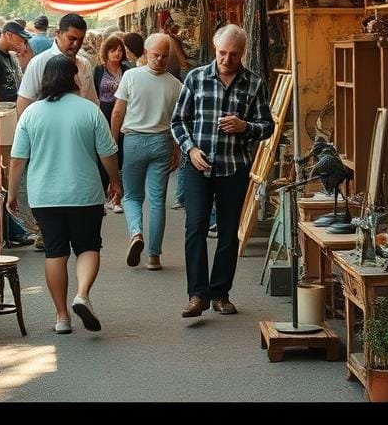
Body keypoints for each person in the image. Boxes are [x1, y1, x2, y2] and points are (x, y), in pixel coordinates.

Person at [8, 55, 121, 334]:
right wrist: (115, 182)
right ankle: (82, 294)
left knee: (55, 252)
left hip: (44, 195)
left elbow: (17, 159)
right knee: (88, 247)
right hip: (85, 193)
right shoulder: (90, 110)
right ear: (73, 78)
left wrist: (11, 194)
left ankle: (61, 318)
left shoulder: (31, 113)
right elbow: (107, 154)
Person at [170, 24, 273, 318]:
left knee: (229, 233)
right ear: (215, 48)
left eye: (234, 54)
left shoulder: (254, 83)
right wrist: (190, 149)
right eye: (222, 52)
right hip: (197, 166)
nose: (227, 59)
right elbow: (178, 121)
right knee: (195, 227)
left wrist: (246, 127)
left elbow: (268, 126)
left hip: (234, 167)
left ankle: (221, 294)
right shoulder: (196, 78)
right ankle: (197, 295)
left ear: (243, 53)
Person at [111, 33, 182, 271]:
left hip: (133, 141)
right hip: (161, 142)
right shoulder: (175, 84)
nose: (160, 60)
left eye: (163, 56)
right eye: (156, 55)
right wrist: (176, 146)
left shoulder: (130, 76)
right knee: (157, 201)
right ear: (146, 53)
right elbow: (178, 121)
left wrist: (113, 142)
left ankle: (135, 233)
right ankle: (154, 256)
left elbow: (118, 112)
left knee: (131, 196)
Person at [0, 21, 36, 247]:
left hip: (13, 117)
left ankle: (16, 226)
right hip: (5, 120)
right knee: (7, 175)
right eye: (20, 38)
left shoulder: (10, 56)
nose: (23, 42)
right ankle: (13, 228)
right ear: (8, 35)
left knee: (13, 173)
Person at [16, 13, 95, 118]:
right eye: (72, 39)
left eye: (80, 40)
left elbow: (92, 100)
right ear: (58, 34)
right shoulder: (39, 63)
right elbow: (24, 101)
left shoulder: (84, 64)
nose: (76, 44)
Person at [93, 35, 132, 212]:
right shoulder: (99, 70)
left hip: (123, 113)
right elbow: (93, 94)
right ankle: (104, 192)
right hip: (104, 111)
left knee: (120, 152)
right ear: (106, 52)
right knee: (103, 152)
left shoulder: (127, 70)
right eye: (113, 50)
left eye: (119, 50)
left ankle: (117, 196)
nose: (117, 53)